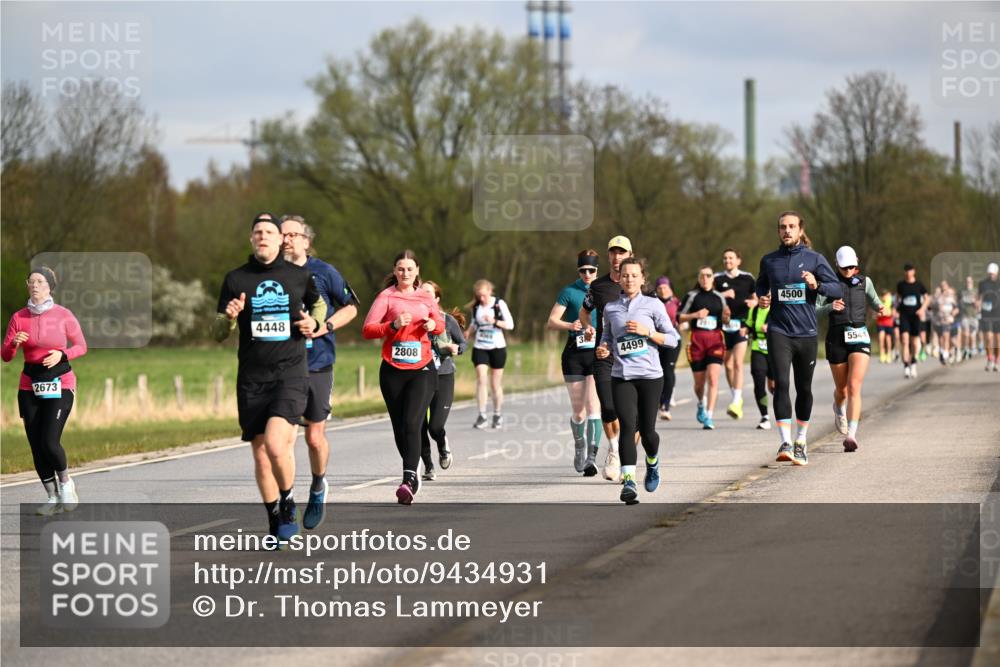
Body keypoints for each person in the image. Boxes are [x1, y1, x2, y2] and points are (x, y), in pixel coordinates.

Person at [213, 212, 326, 541]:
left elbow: (318, 306)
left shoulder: (298, 275)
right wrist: (229, 318)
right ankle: (274, 518)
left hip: (290, 374)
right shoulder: (236, 279)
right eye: (258, 232)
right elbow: (218, 332)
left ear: (280, 239)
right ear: (252, 239)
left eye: (269, 232)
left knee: (276, 445)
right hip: (251, 378)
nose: (263, 236)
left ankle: (288, 501)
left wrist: (314, 324)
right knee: (261, 454)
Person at [280, 215, 359, 529]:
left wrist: (324, 326)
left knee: (314, 438)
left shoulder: (324, 272)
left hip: (318, 363)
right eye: (282, 235)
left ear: (306, 240)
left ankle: (317, 486)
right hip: (283, 366)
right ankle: (286, 503)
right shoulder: (271, 274)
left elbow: (351, 307)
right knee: (284, 439)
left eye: (293, 235)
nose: (287, 240)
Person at [756, 211, 842, 466]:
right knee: (781, 384)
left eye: (791, 226)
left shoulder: (814, 259)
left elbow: (837, 288)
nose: (787, 231)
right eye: (783, 227)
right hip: (779, 331)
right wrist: (762, 298)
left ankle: (801, 441)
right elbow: (761, 285)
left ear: (800, 230)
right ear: (778, 231)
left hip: (806, 333)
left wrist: (817, 285)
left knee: (804, 388)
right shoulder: (769, 260)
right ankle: (785, 442)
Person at [2, 267, 88, 515]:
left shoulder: (63, 315)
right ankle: (52, 497)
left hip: (60, 382)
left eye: (40, 281)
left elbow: (81, 346)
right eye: (31, 282)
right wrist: (13, 344)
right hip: (29, 385)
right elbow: (5, 356)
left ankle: (66, 484)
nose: (34, 285)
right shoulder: (19, 317)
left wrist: (63, 354)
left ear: (50, 286)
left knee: (49, 441)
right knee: (36, 444)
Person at [362, 250, 444, 505]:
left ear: (417, 271)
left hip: (422, 369)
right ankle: (413, 466)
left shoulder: (425, 297)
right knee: (400, 427)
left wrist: (433, 326)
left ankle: (408, 479)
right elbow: (368, 330)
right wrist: (393, 325)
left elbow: (440, 324)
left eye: (409, 269)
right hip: (392, 369)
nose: (405, 273)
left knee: (412, 422)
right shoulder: (386, 297)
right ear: (394, 271)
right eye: (400, 269)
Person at [595, 257, 679, 505]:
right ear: (619, 279)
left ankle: (652, 462)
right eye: (625, 275)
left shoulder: (653, 305)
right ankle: (629, 481)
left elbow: (673, 339)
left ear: (642, 279)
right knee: (627, 427)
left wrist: (648, 332)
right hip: (622, 377)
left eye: (634, 275)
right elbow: (607, 337)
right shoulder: (611, 308)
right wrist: (603, 348)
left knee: (648, 432)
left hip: (651, 377)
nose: (629, 279)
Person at [815, 246, 886, 452]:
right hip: (836, 337)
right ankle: (838, 406)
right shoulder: (828, 284)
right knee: (842, 390)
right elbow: (814, 311)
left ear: (857, 264)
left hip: (859, 335)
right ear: (836, 265)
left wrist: (880, 308)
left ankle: (851, 435)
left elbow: (875, 301)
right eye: (844, 267)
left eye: (852, 267)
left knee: (854, 385)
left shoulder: (865, 282)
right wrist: (830, 307)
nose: (848, 271)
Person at [580, 236, 633, 482]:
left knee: (629, 412)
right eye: (613, 252)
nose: (617, 257)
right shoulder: (598, 286)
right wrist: (588, 326)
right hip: (604, 353)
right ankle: (613, 451)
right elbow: (584, 311)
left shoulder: (640, 285)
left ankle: (625, 456)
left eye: (621, 252)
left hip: (632, 356)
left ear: (630, 255)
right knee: (608, 406)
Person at [547, 250, 603, 476]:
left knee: (593, 407)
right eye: (583, 270)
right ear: (578, 270)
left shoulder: (604, 290)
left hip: (598, 354)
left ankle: (592, 457)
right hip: (574, 354)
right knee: (579, 412)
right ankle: (580, 446)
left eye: (591, 270)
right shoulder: (569, 292)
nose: (587, 274)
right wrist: (570, 325)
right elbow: (551, 321)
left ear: (597, 270)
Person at [419, 281, 467, 480]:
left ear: (436, 298)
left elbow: (463, 342)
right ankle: (428, 467)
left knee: (435, 426)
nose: (423, 294)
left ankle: (442, 445)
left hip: (443, 375)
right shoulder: (414, 318)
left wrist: (457, 348)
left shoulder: (447, 320)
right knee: (418, 426)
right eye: (421, 291)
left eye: (428, 292)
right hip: (420, 376)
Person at [678, 267, 731, 430]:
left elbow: (725, 320)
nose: (705, 278)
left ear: (713, 278)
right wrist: (695, 315)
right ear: (699, 279)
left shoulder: (719, 297)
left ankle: (709, 415)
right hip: (697, 340)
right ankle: (701, 402)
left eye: (709, 275)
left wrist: (727, 317)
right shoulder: (692, 296)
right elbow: (679, 317)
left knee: (713, 378)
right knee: (699, 383)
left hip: (715, 339)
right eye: (702, 276)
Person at [714, 249, 757, 420]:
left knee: (738, 362)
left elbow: (756, 298)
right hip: (724, 326)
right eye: (725, 258)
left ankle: (736, 400)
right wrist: (723, 294)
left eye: (731, 258)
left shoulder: (747, 278)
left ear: (738, 260)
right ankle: (736, 397)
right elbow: (708, 297)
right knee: (728, 365)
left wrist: (754, 302)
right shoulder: (717, 278)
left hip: (742, 325)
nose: (727, 261)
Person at [465, 279, 514, 429]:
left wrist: (494, 321)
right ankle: (482, 415)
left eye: (484, 295)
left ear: (490, 291)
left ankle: (497, 414)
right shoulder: (476, 307)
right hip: (480, 346)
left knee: (495, 384)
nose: (481, 298)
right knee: (481, 379)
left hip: (497, 347)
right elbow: (474, 323)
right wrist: (468, 331)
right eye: (479, 296)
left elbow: (510, 325)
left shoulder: (499, 304)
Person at [653, 276, 682, 420]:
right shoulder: (652, 302)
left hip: (672, 340)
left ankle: (665, 406)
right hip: (656, 340)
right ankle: (659, 400)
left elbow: (682, 317)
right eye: (659, 288)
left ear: (670, 288)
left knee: (668, 370)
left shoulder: (677, 302)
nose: (662, 290)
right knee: (657, 371)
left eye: (665, 287)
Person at [744, 300, 773, 429]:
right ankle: (765, 416)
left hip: (775, 350)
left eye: (768, 297)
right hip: (758, 349)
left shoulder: (778, 309)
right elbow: (749, 325)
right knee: (759, 382)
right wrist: (744, 330)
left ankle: (782, 411)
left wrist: (770, 327)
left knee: (774, 387)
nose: (765, 300)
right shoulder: (754, 310)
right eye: (763, 297)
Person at [896, 264, 929, 378]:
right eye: (906, 271)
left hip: (915, 316)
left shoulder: (919, 285)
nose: (908, 273)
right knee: (905, 341)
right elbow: (898, 299)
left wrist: (922, 309)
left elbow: (927, 299)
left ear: (913, 271)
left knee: (915, 343)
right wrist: (896, 310)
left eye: (910, 270)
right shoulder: (901, 285)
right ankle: (906, 366)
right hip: (904, 316)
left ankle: (913, 363)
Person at [931, 280, 958, 366]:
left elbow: (956, 308)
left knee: (946, 336)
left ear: (947, 287)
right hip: (938, 320)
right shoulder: (937, 297)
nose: (943, 287)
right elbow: (932, 308)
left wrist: (953, 314)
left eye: (945, 285)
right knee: (941, 338)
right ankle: (942, 352)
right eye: (942, 286)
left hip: (947, 320)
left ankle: (946, 353)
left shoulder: (951, 298)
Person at [981, 262, 1000, 372]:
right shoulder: (983, 284)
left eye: (993, 273)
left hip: (998, 313)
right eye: (989, 273)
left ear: (997, 273)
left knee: (998, 340)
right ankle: (989, 359)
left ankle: (997, 361)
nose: (991, 275)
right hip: (986, 313)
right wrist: (977, 303)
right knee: (988, 338)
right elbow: (979, 297)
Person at [958, 275, 979, 361]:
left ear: (972, 282)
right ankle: (965, 349)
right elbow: (958, 302)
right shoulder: (962, 291)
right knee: (966, 333)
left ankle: (971, 348)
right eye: (967, 281)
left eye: (970, 281)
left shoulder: (976, 291)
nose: (968, 283)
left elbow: (979, 303)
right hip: (964, 315)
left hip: (973, 315)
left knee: (972, 335)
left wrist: (975, 302)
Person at [876, 290, 895, 363]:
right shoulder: (878, 302)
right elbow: (877, 313)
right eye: (883, 295)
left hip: (889, 323)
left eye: (886, 295)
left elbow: (893, 313)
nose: (885, 297)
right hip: (880, 323)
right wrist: (881, 314)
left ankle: (889, 354)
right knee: (881, 338)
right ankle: (882, 354)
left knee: (888, 339)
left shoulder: (891, 302)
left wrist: (886, 313)